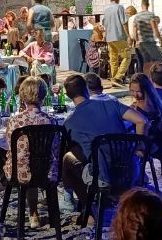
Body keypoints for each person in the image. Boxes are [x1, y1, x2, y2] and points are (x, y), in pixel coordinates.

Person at [61, 73, 148, 205]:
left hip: (103, 177)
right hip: (130, 171)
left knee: (68, 158)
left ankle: (84, 207)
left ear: (68, 95)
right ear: (86, 89)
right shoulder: (111, 103)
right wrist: (140, 147)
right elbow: (142, 121)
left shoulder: (70, 122)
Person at [2, 78, 62, 227]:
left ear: (22, 96)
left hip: (20, 172)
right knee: (37, 162)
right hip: (47, 171)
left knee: (23, 162)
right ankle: (36, 213)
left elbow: (9, 146)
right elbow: (55, 149)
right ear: (43, 96)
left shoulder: (15, 121)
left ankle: (33, 213)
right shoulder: (51, 121)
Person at [101, 0, 133, 88]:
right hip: (119, 36)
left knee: (113, 59)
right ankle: (118, 78)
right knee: (127, 56)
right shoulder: (120, 7)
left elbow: (104, 23)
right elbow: (124, 22)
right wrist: (128, 36)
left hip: (109, 38)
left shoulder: (106, 10)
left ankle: (114, 79)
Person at [126, 73, 162, 144]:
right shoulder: (156, 102)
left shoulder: (141, 106)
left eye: (138, 92)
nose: (135, 95)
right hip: (155, 142)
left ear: (146, 90)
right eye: (132, 91)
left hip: (145, 144)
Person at [129, 0, 162, 71]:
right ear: (148, 5)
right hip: (150, 41)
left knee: (143, 61)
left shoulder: (137, 16)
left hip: (141, 42)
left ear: (141, 5)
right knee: (155, 60)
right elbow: (154, 28)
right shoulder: (151, 15)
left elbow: (134, 30)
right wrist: (160, 39)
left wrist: (136, 40)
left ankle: (143, 76)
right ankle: (152, 75)